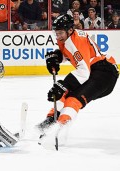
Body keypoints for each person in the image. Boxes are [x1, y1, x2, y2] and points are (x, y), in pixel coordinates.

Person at [36, 14, 119, 145]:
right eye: (56, 33)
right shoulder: (66, 38)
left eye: (60, 33)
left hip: (105, 73)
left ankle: (59, 129)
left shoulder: (76, 41)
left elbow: (83, 71)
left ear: (70, 30)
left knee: (74, 99)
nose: (58, 36)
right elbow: (71, 55)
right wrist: (58, 58)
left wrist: (64, 84)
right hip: (94, 70)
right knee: (63, 93)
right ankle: (50, 121)